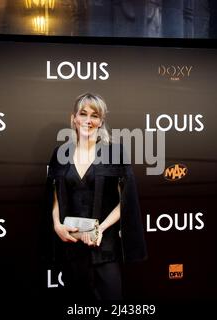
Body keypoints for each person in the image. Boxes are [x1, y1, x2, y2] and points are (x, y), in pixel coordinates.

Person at [43, 92, 147, 301]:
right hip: (71, 245)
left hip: (104, 246)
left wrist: (101, 228)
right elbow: (54, 193)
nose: (88, 120)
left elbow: (125, 201)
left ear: (101, 122)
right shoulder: (60, 153)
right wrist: (56, 225)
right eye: (83, 114)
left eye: (95, 116)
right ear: (74, 118)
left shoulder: (114, 153)